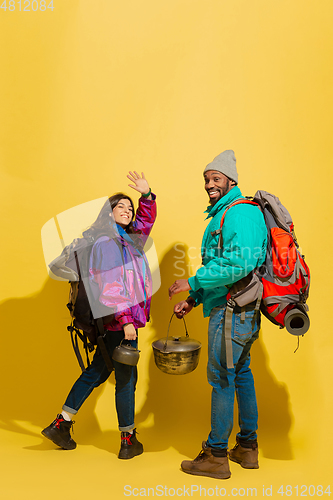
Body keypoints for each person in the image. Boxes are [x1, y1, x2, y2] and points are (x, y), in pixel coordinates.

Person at [42, 171, 156, 460]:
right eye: (121, 207)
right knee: (126, 378)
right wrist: (127, 320)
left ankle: (61, 424)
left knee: (98, 371)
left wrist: (147, 197)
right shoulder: (108, 243)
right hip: (119, 320)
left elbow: (144, 224)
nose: (128, 211)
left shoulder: (127, 241)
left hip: (117, 320)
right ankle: (127, 441)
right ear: (109, 213)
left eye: (130, 209)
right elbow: (112, 286)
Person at [168, 150, 267, 479]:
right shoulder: (224, 214)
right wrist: (195, 298)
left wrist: (192, 281)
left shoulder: (239, 213)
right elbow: (222, 268)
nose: (210, 184)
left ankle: (215, 455)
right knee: (240, 375)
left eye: (216, 179)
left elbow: (239, 264)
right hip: (239, 308)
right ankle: (248, 448)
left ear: (231, 180)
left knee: (222, 379)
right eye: (207, 179)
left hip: (231, 311)